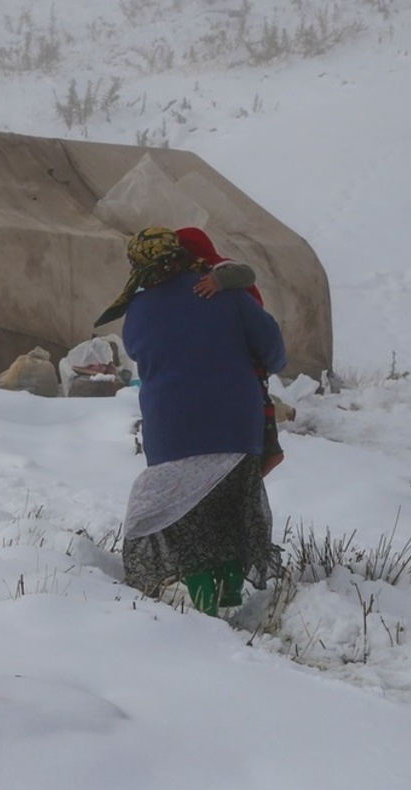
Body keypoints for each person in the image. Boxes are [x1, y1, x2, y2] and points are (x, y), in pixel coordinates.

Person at [95, 227, 287, 616]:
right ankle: (232, 588)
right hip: (237, 422)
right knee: (233, 508)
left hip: (173, 430)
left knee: (186, 521)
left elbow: (142, 356)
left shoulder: (138, 311)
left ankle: (204, 607)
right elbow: (274, 352)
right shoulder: (227, 294)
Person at [176, 226, 286, 477]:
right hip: (245, 342)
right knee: (259, 396)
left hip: (248, 340)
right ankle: (269, 448)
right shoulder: (194, 277)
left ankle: (271, 449)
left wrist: (220, 281)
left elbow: (247, 273)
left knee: (260, 396)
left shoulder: (218, 269)